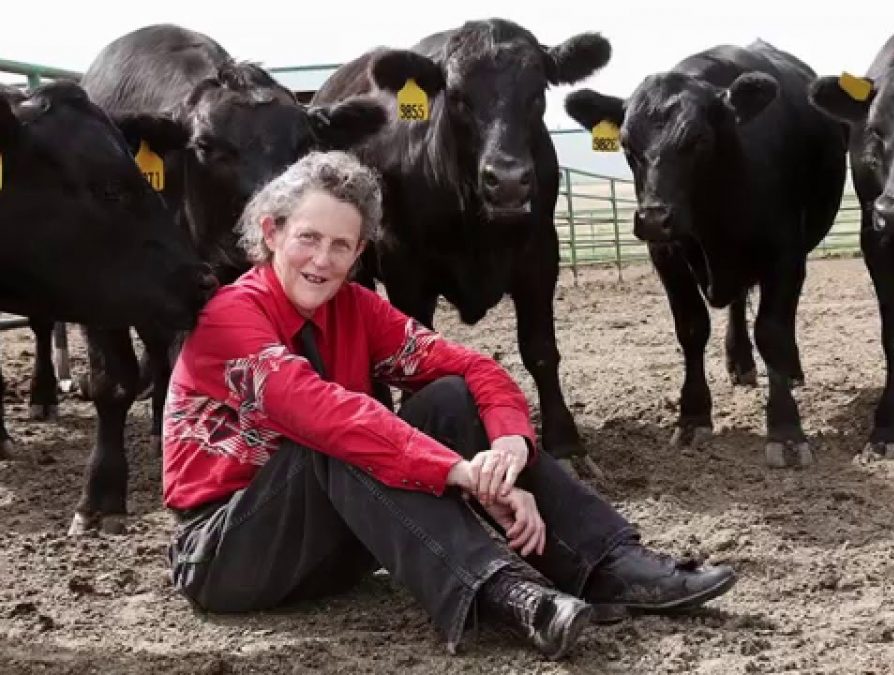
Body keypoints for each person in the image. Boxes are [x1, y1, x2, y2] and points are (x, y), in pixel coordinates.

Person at [162, 150, 737, 660]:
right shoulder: (228, 316)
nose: (323, 259)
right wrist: (464, 475)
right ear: (271, 232)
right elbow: (324, 416)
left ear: (361, 251)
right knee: (340, 437)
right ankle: (507, 594)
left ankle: (606, 564)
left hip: (345, 539)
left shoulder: (356, 308)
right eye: (308, 238)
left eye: (342, 245)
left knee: (450, 397)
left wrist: (509, 445)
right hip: (226, 554)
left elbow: (475, 369)